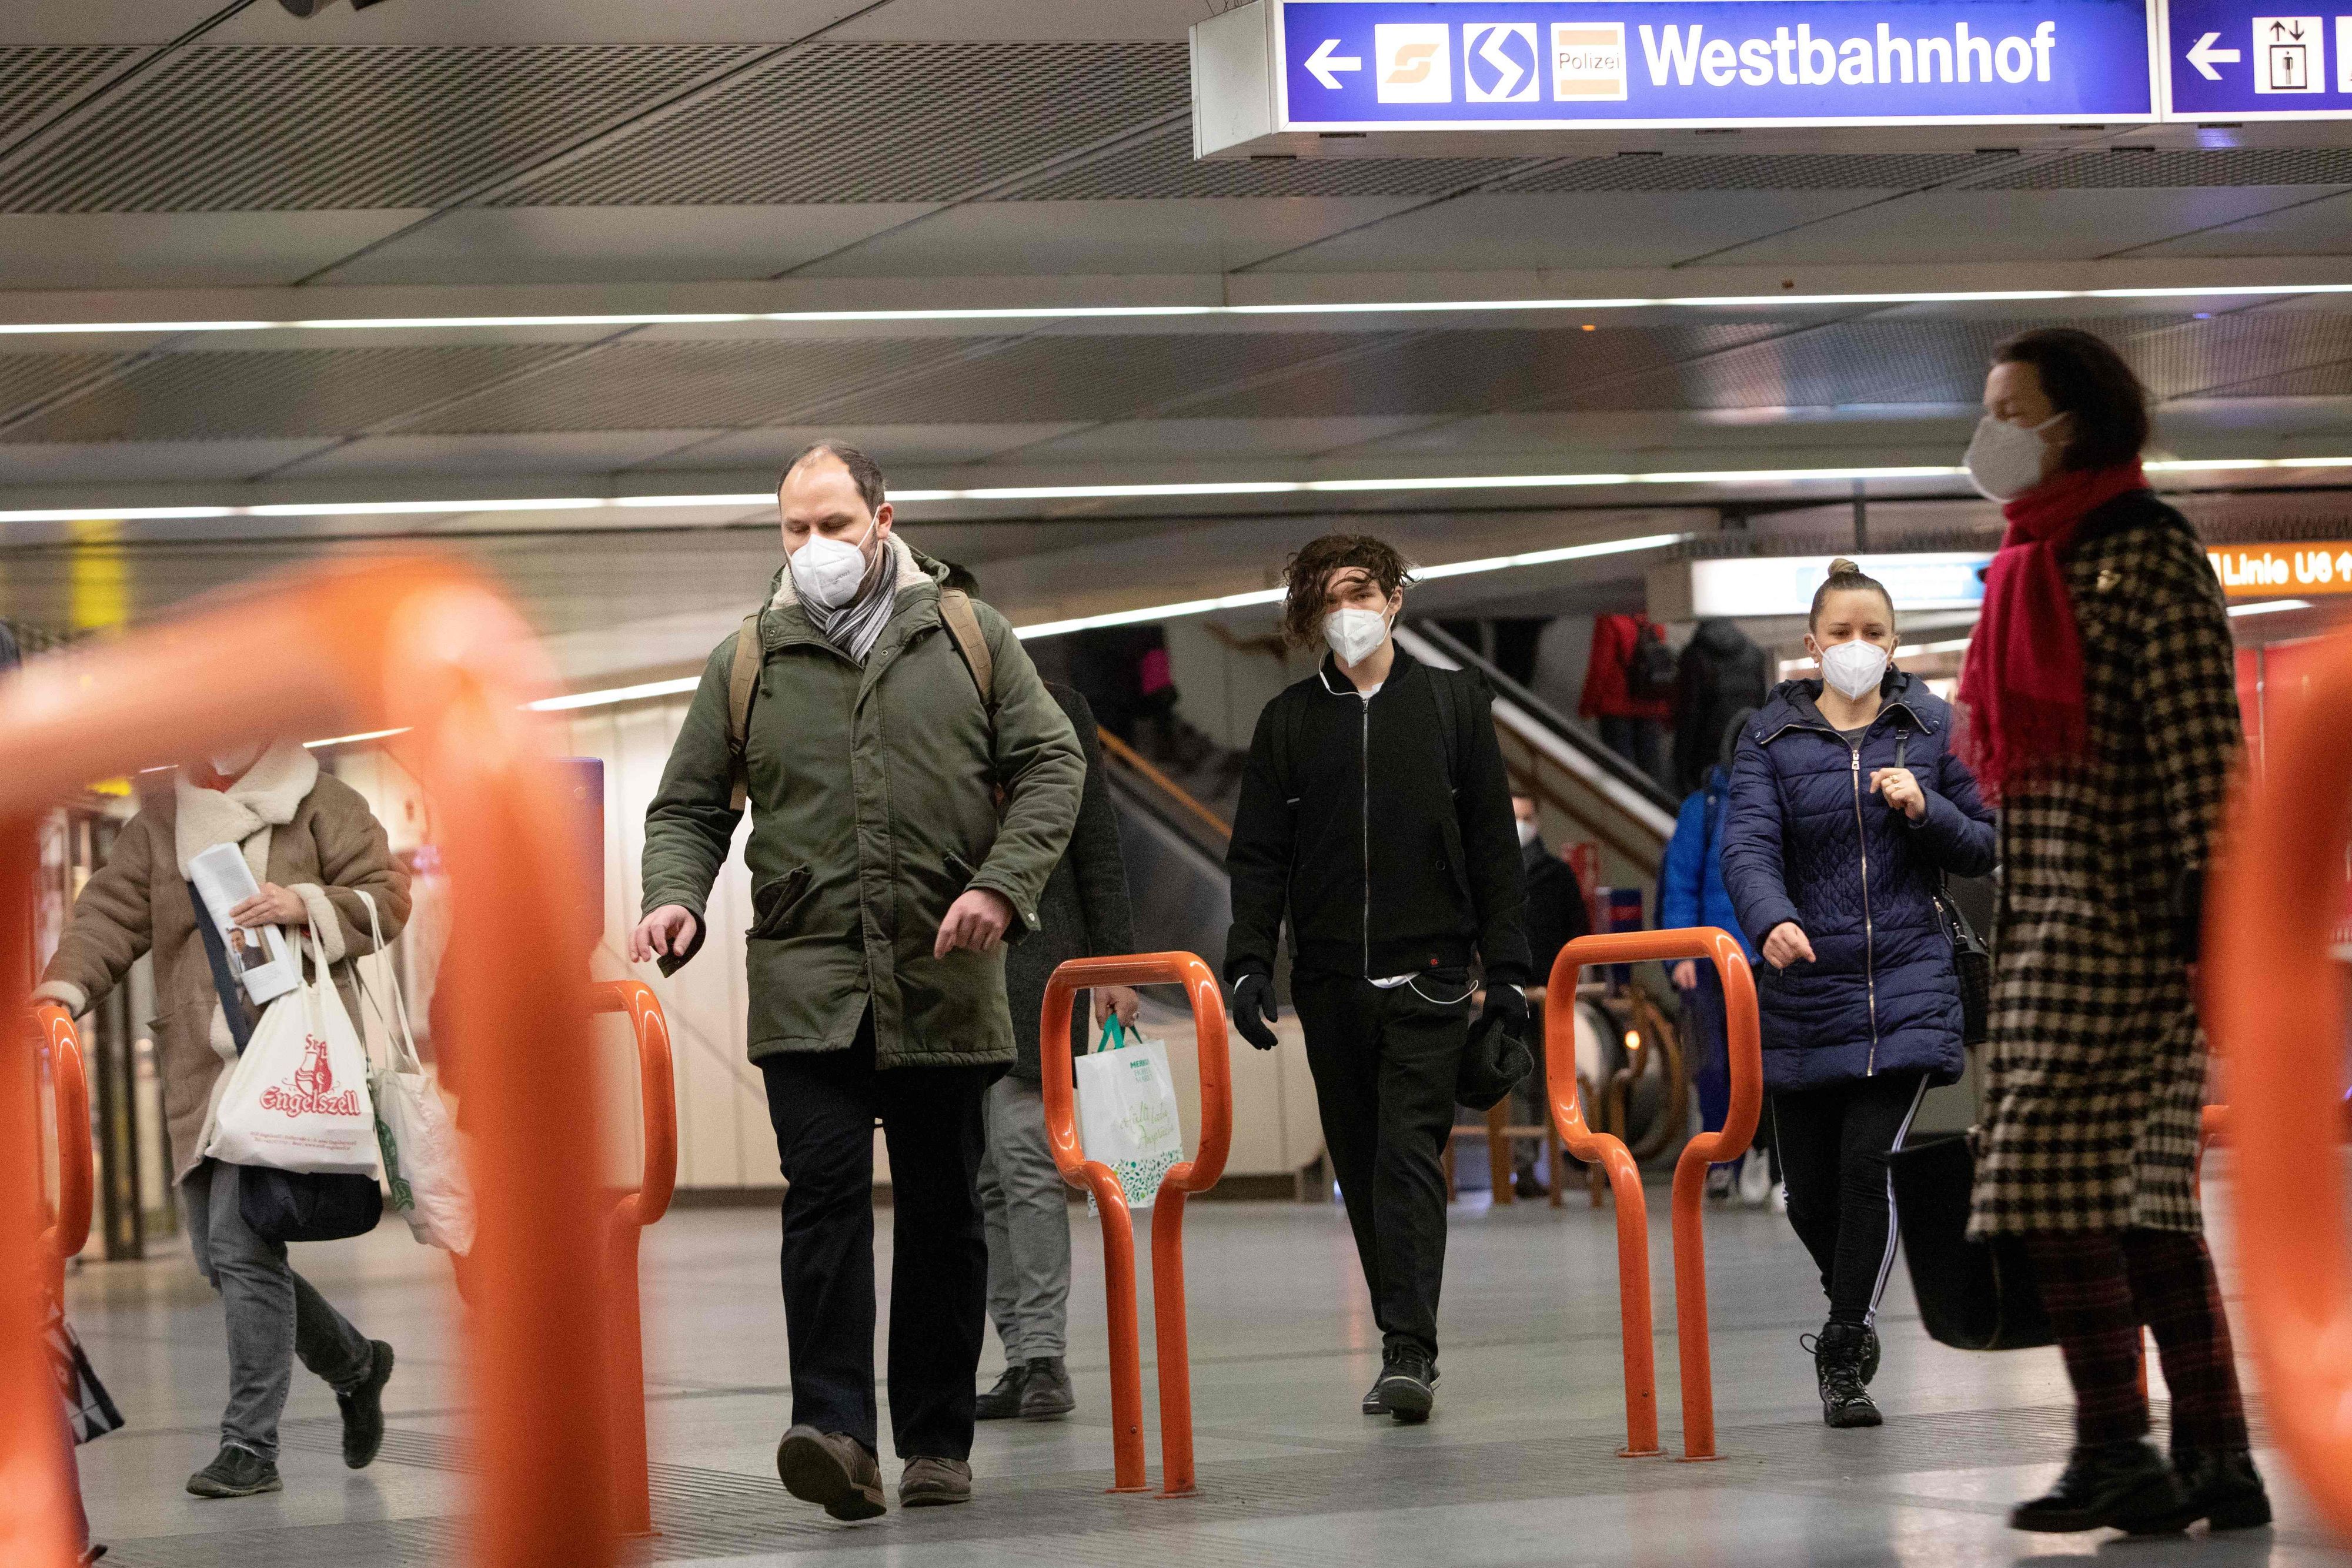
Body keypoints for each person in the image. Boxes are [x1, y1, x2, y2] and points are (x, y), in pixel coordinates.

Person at [632, 442, 1084, 1520]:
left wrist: (1004, 885)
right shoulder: (750, 658)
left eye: (833, 523)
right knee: (823, 1197)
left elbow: (1052, 763)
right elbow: (688, 805)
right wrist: (675, 893)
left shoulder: (969, 636)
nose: (814, 545)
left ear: (884, 519)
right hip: (809, 980)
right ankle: (835, 1432)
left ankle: (934, 1439)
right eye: (795, 527)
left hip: (944, 975)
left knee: (944, 1212)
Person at [1957, 329, 2270, 1536]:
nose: (1989, 430)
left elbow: (2204, 753)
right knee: (2142, 1202)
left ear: (2075, 420)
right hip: (2049, 923)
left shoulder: (2144, 553)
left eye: (2011, 407)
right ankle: (2215, 1457)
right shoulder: (2029, 561)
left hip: (2128, 932)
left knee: (2040, 1178)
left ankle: (2114, 1448)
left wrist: (2208, 922)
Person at [32, 737, 408, 1499]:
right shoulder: (163, 817)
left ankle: (249, 1445)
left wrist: (305, 904)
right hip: (200, 1071)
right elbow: (108, 915)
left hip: (290, 1060)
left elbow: (387, 897)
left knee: (241, 1248)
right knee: (222, 1257)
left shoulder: (320, 799)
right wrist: (62, 992)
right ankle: (356, 1363)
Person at [1224, 533, 1532, 1424]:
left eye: (1359, 591)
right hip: (1330, 984)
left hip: (1432, 978)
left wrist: (1510, 974)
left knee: (1406, 1156)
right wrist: (1248, 963)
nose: (1346, 611)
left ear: (1395, 599)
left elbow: (1493, 848)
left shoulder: (1451, 705)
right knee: (1361, 1168)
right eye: (1328, 598)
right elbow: (1259, 858)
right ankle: (1403, 1332)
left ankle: (1409, 1348)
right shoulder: (1289, 722)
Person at [1720, 560, 1996, 1429]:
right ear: (1812, 645)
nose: (1856, 646)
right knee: (1808, 1194)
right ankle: (1853, 1291)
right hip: (1805, 990)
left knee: (1864, 1164)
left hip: (1905, 989)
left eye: (1872, 632)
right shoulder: (1768, 738)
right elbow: (1747, 846)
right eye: (1840, 632)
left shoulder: (1932, 727)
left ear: (1894, 643)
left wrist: (1925, 809)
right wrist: (1769, 918)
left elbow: (1984, 841)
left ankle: (1844, 1346)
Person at [968, 579, 1140, 1425]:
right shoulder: (906, 721)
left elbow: (1096, 846)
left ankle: (1041, 1355)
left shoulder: (1055, 709)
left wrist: (1114, 964)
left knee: (1026, 1164)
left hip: (1040, 974)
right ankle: (1019, 1352)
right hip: (945, 984)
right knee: (986, 1183)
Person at [1659, 710, 1773, 1206]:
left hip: (1769, 956)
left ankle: (1767, 1156)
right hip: (1710, 960)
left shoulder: (1782, 799)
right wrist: (1681, 954)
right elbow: (1680, 884)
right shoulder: (1701, 809)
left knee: (1770, 1063)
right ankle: (1722, 1158)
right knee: (1712, 1067)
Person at [1506, 790, 1589, 1198]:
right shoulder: (1489, 872)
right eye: (1513, 817)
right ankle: (1523, 1165)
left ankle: (1573, 1156)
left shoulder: (1557, 875)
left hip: (1552, 991)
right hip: (1507, 990)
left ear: (1537, 821)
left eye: (1525, 817)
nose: (1519, 826)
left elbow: (1578, 928)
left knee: (1560, 1074)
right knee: (1518, 1078)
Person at [1578, 612, 1673, 785]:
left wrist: (1588, 705)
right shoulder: (1654, 619)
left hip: (1616, 708)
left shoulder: (1610, 618)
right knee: (1650, 770)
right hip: (1648, 703)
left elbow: (1600, 667)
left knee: (1620, 772)